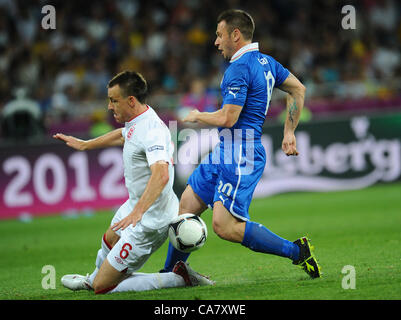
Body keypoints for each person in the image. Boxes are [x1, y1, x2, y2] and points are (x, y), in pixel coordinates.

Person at [157, 9, 321, 279]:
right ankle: (171, 273)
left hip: (241, 152)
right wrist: (289, 131)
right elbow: (298, 89)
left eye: (220, 35)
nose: (216, 42)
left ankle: (297, 252)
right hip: (226, 149)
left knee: (224, 226)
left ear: (236, 34)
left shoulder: (238, 68)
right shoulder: (267, 62)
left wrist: (197, 115)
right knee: (186, 205)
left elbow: (228, 117)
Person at [54, 71, 214, 294]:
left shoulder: (152, 131)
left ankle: (177, 278)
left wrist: (138, 212)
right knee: (109, 238)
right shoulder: (137, 120)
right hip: (135, 206)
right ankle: (93, 278)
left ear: (131, 100)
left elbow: (161, 174)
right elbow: (124, 134)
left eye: (113, 100)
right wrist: (85, 145)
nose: (109, 106)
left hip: (150, 219)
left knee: (104, 287)